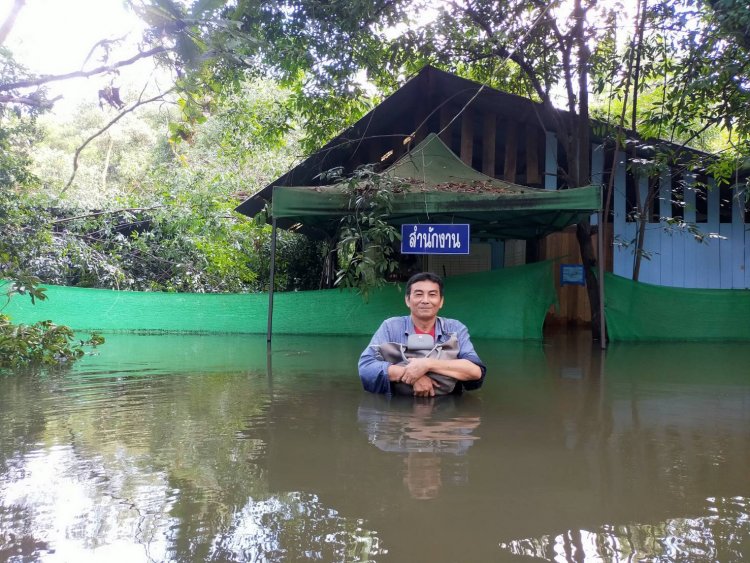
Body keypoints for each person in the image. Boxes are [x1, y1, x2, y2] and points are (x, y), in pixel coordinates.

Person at [358, 272, 486, 396]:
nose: (425, 300)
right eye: (418, 294)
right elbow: (366, 367)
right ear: (408, 300)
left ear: (441, 301)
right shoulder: (390, 327)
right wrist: (410, 375)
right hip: (401, 410)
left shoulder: (455, 328)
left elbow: (475, 371)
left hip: (445, 409)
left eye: (432, 294)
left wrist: (427, 364)